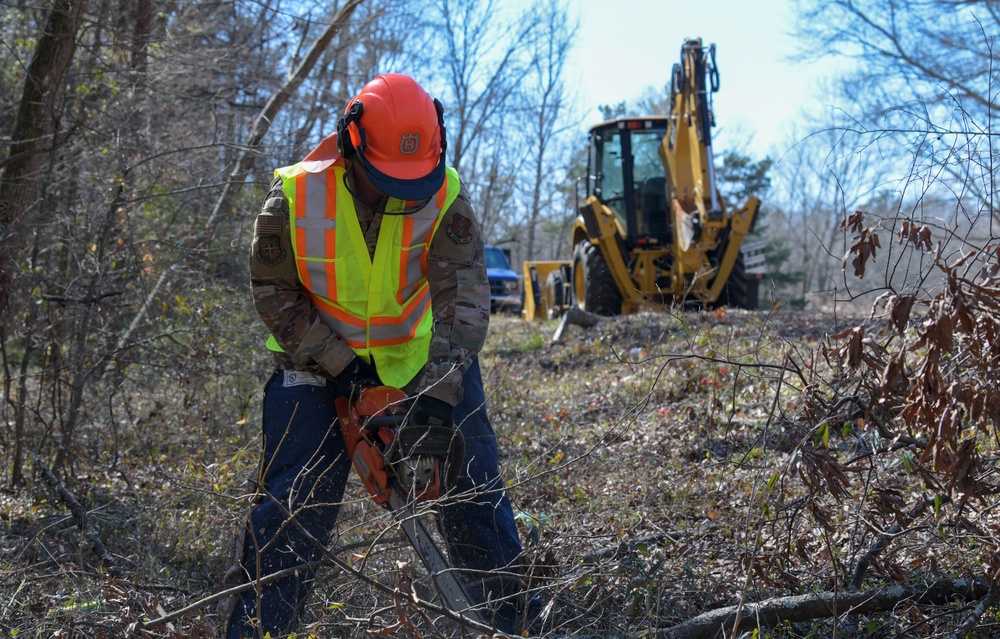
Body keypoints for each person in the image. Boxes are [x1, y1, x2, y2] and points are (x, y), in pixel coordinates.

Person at [224, 73, 527, 638]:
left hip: (421, 362)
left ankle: (513, 621)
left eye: (414, 183)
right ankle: (258, 630)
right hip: (313, 365)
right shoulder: (292, 196)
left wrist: (438, 397)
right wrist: (345, 369)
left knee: (474, 482)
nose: (403, 195)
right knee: (294, 502)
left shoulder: (446, 194)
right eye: (389, 180)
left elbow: (465, 298)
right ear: (351, 146)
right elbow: (275, 294)